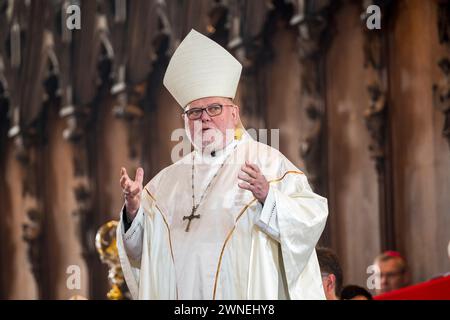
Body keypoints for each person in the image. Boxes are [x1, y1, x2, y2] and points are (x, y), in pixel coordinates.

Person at [116, 29, 328, 299]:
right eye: (193, 112)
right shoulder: (163, 185)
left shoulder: (268, 164)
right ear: (184, 121)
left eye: (214, 108)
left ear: (234, 114)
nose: (204, 118)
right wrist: (133, 212)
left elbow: (310, 220)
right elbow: (140, 256)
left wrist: (269, 198)